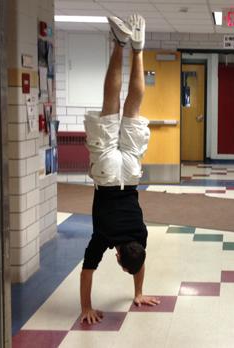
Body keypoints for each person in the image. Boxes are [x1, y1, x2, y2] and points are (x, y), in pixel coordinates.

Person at [79, 14, 160, 325]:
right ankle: (119, 42)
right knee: (110, 105)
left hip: (130, 174)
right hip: (108, 176)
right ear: (117, 255)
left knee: (132, 109)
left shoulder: (141, 235)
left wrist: (139, 291)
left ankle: (138, 48)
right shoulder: (104, 236)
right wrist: (86, 307)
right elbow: (87, 271)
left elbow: (140, 260)